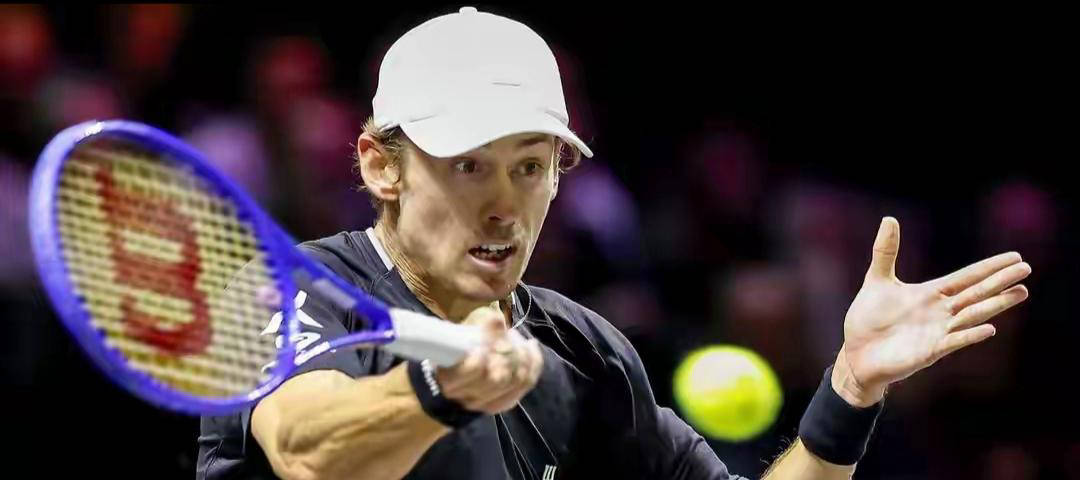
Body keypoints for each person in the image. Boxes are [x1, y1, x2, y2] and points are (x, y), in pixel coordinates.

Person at [196, 7, 1031, 479]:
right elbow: (306, 451)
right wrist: (441, 391)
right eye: (468, 165)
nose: (504, 207)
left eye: (530, 167)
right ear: (382, 166)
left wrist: (849, 387)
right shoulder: (294, 289)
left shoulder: (583, 353)